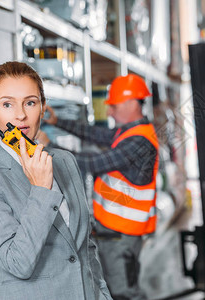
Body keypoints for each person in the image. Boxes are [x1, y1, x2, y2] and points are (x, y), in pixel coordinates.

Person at [0, 61, 112, 300]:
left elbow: (85, 246)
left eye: (30, 102)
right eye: (7, 104)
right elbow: (18, 263)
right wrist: (41, 189)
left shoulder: (63, 161)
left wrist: (102, 294)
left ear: (42, 108)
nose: (21, 115)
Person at [39, 74, 159, 300]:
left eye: (113, 106)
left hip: (121, 235)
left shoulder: (139, 142)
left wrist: (49, 146)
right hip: (114, 232)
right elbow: (96, 134)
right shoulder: (129, 132)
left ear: (132, 103)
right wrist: (59, 122)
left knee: (125, 294)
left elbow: (91, 164)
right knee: (115, 291)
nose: (110, 112)